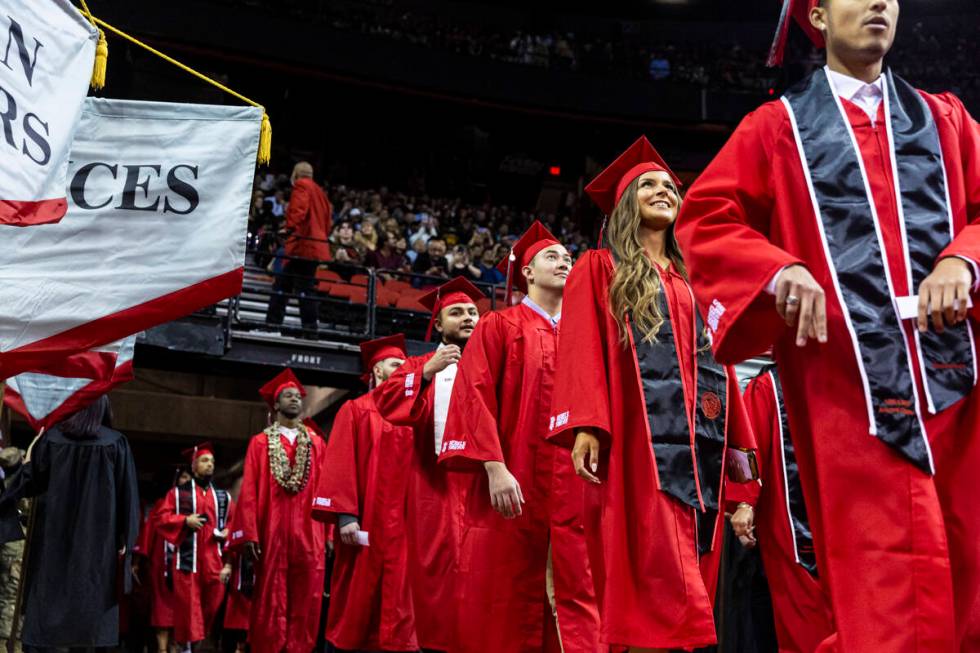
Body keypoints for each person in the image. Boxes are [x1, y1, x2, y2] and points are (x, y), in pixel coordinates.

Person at [674, 1, 980, 649]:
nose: (880, 4)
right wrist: (777, 271)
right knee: (884, 592)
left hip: (960, 394)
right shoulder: (778, 128)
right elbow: (708, 219)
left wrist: (964, 258)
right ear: (815, 14)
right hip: (847, 396)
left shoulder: (944, 121)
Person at [547, 137, 757, 653]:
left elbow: (723, 366)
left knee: (692, 559)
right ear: (625, 203)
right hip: (637, 446)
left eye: (670, 186)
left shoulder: (694, 282)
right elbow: (581, 348)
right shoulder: (598, 268)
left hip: (698, 449)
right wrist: (588, 424)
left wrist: (736, 444)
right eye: (648, 184)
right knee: (647, 559)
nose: (663, 190)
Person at [438, 222, 601, 653]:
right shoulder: (499, 326)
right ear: (526, 271)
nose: (564, 261)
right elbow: (473, 395)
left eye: (569, 258)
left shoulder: (587, 334)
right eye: (552, 256)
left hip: (576, 487)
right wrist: (493, 466)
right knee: (507, 592)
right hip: (515, 479)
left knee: (577, 596)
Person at [374, 277, 484, 653]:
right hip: (433, 485)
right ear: (437, 324)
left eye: (472, 312)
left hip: (482, 486)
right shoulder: (420, 364)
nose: (467, 318)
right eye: (456, 313)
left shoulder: (492, 362)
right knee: (435, 577)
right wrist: (426, 371)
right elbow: (387, 402)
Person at [0, 396, 139, 649]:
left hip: (53, 547)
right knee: (89, 624)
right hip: (98, 550)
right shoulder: (117, 444)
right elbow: (127, 498)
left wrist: (31, 456)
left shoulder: (51, 441)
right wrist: (125, 543)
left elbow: (28, 484)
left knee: (47, 619)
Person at [313, 334, 418, 652]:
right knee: (359, 600)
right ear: (376, 371)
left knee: (403, 600)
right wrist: (346, 515)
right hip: (366, 522)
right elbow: (341, 462)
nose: (402, 367)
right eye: (394, 363)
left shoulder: (416, 412)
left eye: (404, 363)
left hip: (406, 524)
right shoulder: (357, 409)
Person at [229, 369, 328, 653]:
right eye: (288, 395)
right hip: (271, 531)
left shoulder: (316, 443)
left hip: (310, 532)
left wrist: (329, 531)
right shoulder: (260, 443)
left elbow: (326, 489)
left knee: (307, 594)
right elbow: (249, 492)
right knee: (270, 593)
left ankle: (300, 648)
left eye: (298, 396)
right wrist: (249, 533)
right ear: (276, 403)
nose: (295, 400)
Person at [740, 365, 834, 653]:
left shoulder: (848, 377)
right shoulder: (767, 386)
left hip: (843, 525)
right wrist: (744, 503)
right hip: (791, 531)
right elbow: (747, 448)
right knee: (801, 624)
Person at [153, 444, 233, 649]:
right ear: (194, 465)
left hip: (213, 560)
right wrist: (184, 521)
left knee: (212, 604)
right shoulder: (177, 494)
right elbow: (161, 518)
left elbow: (236, 522)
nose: (210, 465)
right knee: (189, 609)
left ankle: (193, 642)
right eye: (205, 461)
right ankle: (187, 647)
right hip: (188, 562)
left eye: (212, 462)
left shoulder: (223, 497)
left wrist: (228, 532)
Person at [265, 161, 332, 333]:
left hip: (303, 246)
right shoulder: (320, 192)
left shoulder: (301, 185)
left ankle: (307, 330)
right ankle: (275, 325)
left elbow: (298, 210)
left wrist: (288, 229)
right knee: (283, 285)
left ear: (296, 174)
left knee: (301, 289)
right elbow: (327, 222)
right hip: (315, 246)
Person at [134, 467, 193, 653]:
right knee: (161, 608)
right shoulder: (163, 503)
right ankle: (161, 649)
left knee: (181, 610)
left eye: (190, 477)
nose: (186, 480)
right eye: (184, 476)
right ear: (176, 480)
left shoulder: (197, 506)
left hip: (186, 565)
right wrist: (137, 560)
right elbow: (148, 532)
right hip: (161, 564)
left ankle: (176, 648)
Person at [0, 448, 25, 653]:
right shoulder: (14, 480)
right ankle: (6, 642)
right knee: (12, 594)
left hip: (17, 544)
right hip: (15, 546)